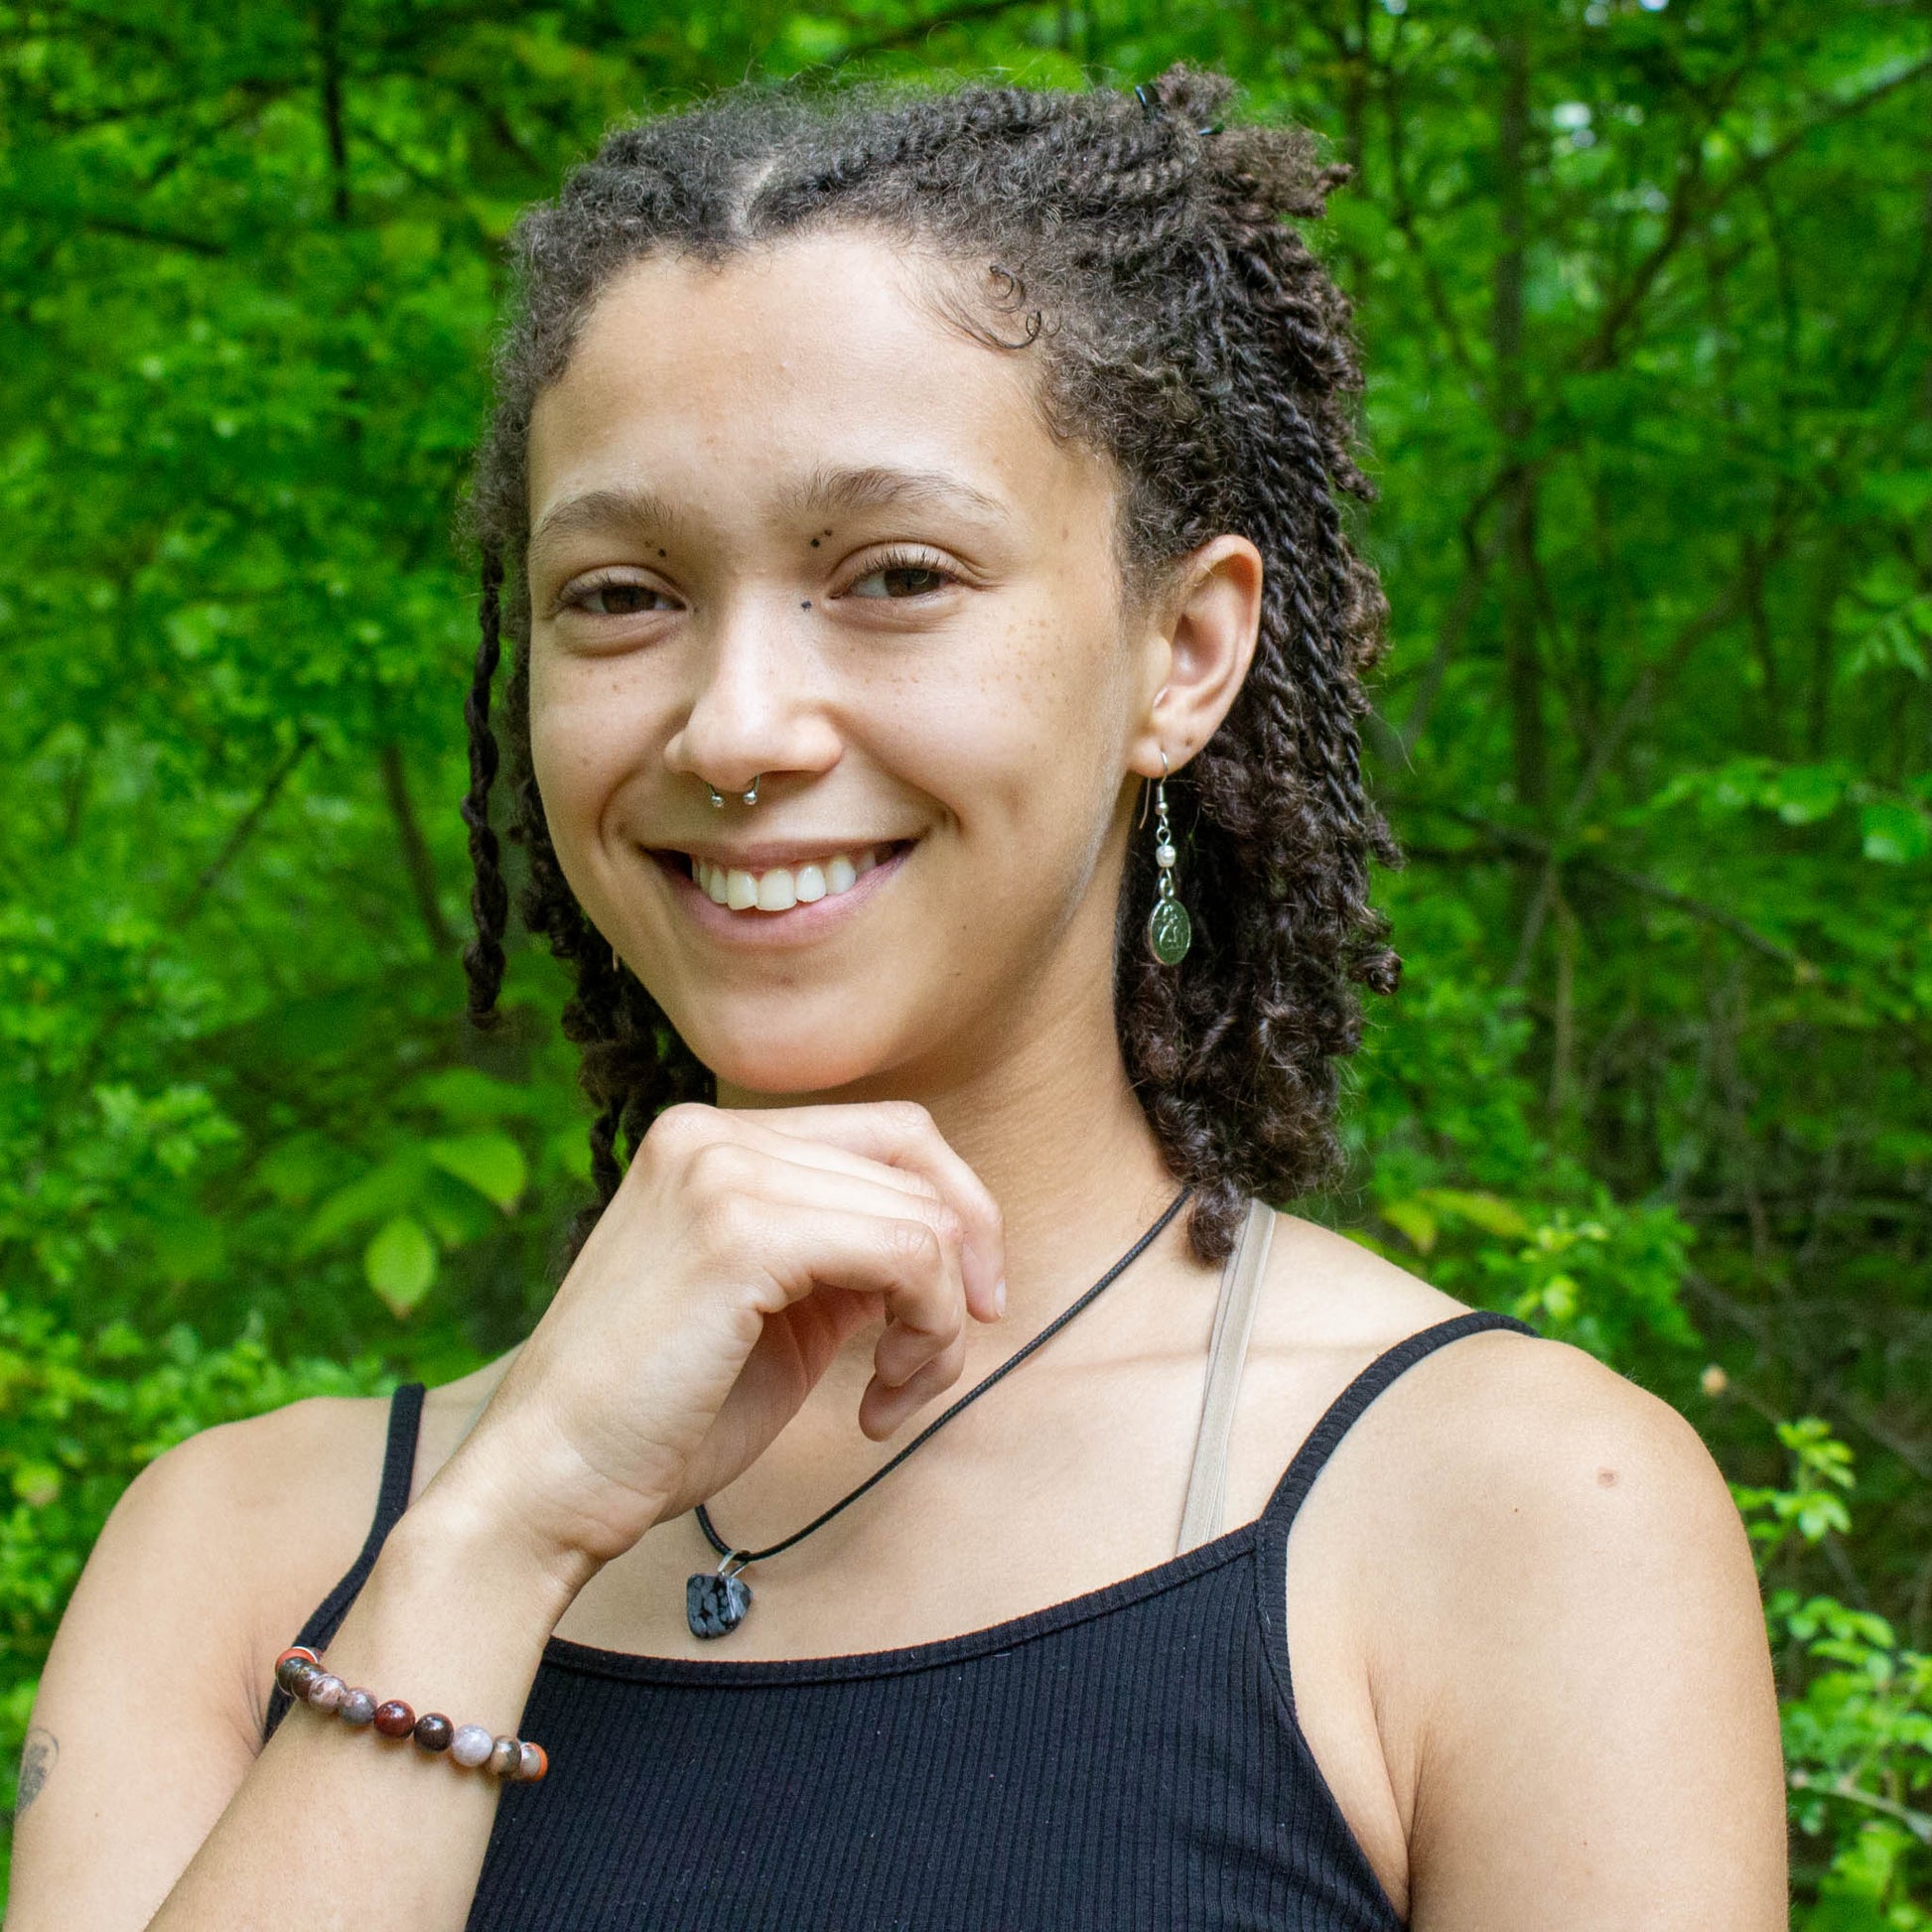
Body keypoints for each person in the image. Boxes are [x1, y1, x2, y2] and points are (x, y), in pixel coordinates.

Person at [9, 64, 1788, 1931]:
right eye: (618, 595)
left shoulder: (1516, 1519)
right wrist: (496, 1529)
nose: (736, 725)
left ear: (1185, 651)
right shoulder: (233, 1558)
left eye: (896, 576)